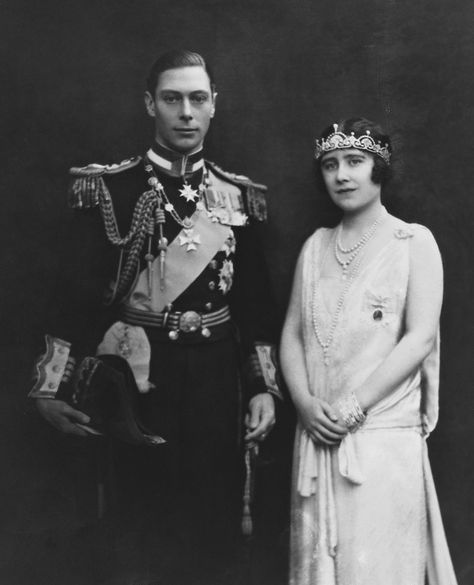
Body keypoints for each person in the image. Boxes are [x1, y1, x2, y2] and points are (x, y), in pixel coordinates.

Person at [29, 50, 281, 584]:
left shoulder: (239, 197)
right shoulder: (111, 189)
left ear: (215, 104)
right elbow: (72, 297)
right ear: (150, 104)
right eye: (172, 99)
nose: (186, 112)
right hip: (139, 380)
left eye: (197, 99)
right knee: (141, 524)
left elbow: (257, 307)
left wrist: (262, 386)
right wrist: (51, 386)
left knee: (212, 524)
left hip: (217, 379)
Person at [280, 118, 458, 585]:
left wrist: (352, 407)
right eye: (331, 164)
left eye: (355, 162)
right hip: (318, 438)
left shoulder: (413, 242)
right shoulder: (315, 246)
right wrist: (303, 402)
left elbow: (419, 338)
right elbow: (292, 337)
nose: (342, 175)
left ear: (379, 168)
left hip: (380, 444)